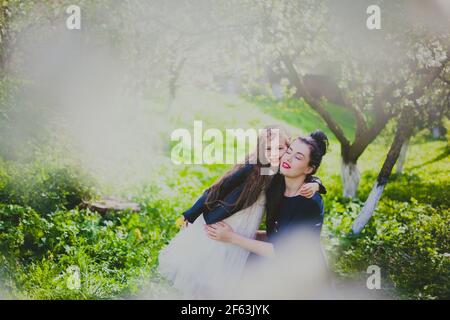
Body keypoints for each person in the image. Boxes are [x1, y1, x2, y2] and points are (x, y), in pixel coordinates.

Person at [157, 126, 327, 299]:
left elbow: (286, 252)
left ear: (309, 168)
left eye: (296, 155)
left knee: (225, 278)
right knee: (211, 272)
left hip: (294, 272)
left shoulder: (305, 198)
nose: (286, 157)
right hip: (234, 222)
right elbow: (219, 188)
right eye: (289, 151)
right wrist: (190, 215)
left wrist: (316, 184)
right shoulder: (269, 171)